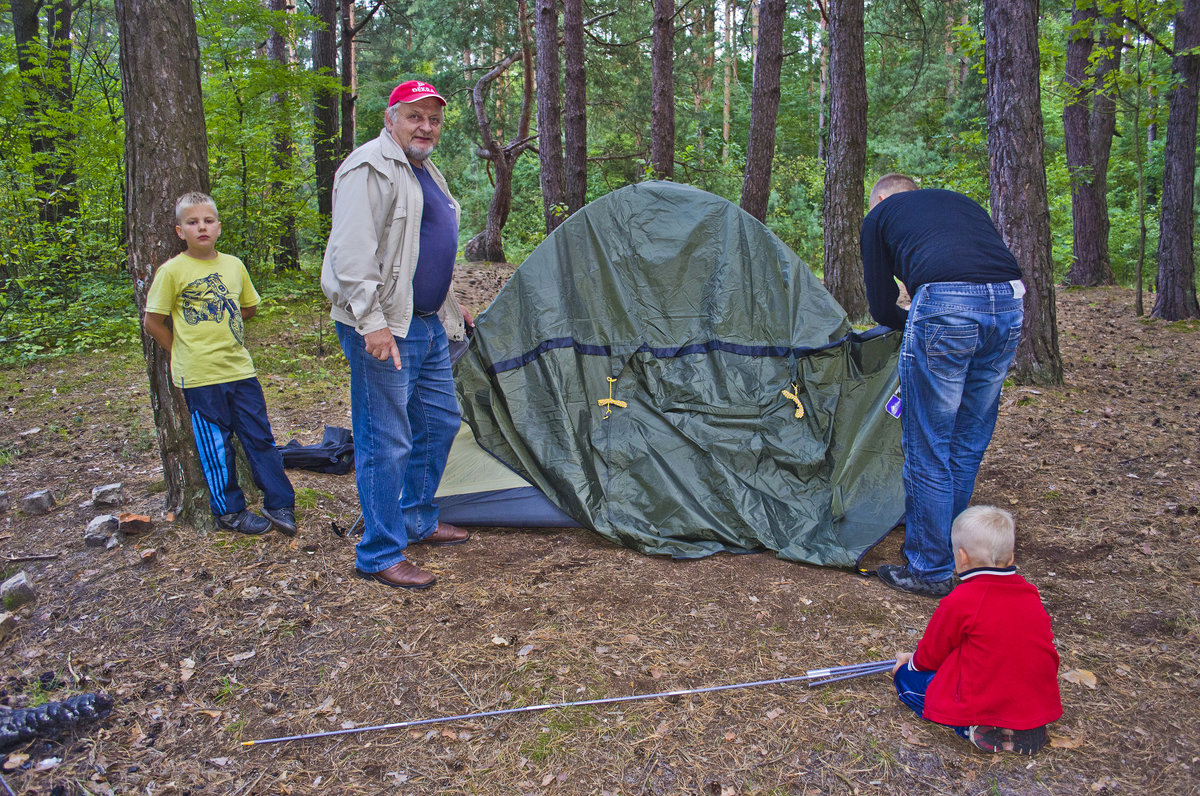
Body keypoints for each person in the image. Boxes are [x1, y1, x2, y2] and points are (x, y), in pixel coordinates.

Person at [321, 79, 474, 590]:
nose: (425, 126)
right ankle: (380, 552)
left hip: (427, 322)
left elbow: (422, 248)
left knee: (440, 422)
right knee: (385, 441)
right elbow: (352, 255)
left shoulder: (425, 168)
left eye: (433, 118)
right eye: (415, 116)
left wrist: (452, 303)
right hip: (386, 327)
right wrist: (373, 324)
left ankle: (417, 519)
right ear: (391, 118)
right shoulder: (370, 167)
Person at [860, 174, 1024, 597]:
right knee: (967, 439)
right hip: (1009, 302)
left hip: (948, 305)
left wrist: (908, 324)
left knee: (928, 442)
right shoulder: (957, 202)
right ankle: (956, 548)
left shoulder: (880, 216)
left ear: (880, 198)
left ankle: (929, 568)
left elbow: (881, 305)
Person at [143, 192, 297, 537]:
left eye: (208, 220)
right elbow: (153, 321)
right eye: (192, 222)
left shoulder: (233, 265)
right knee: (216, 444)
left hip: (240, 369)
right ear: (180, 230)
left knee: (260, 437)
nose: (202, 227)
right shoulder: (172, 271)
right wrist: (179, 350)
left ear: (218, 227)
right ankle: (230, 512)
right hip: (199, 376)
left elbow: (249, 306)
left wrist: (223, 319)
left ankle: (279, 502)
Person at [891, 505, 1062, 754]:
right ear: (1011, 557)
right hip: (1035, 700)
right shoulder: (1030, 594)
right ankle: (1024, 727)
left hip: (983, 696)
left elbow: (932, 653)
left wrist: (910, 665)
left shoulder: (961, 599)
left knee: (906, 680)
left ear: (961, 557)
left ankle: (971, 726)